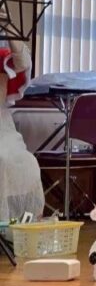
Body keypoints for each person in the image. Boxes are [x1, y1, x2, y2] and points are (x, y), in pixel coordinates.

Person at [0, 38, 44, 222]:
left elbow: (23, 62)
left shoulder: (3, 57)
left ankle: (22, 225)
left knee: (28, 162)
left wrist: (12, 35)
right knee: (2, 161)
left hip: (3, 127)